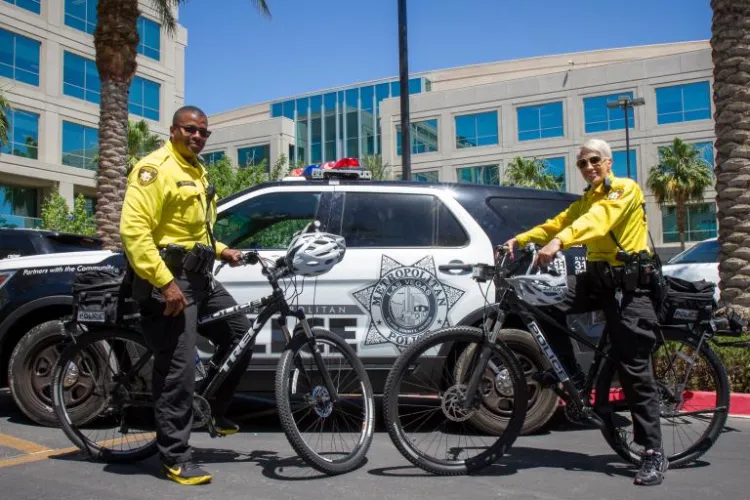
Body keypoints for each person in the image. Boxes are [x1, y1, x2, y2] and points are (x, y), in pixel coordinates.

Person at [503, 138, 667, 487]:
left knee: (634, 367)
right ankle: (573, 375)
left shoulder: (624, 189)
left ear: (608, 162)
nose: (588, 167)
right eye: (582, 163)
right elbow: (559, 221)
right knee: (539, 298)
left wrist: (560, 242)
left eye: (594, 160)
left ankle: (653, 452)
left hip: (630, 287)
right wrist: (520, 238)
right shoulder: (587, 198)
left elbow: (598, 221)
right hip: (596, 280)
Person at [120, 105, 252, 486]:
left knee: (240, 333)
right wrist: (165, 283)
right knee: (178, 371)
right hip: (169, 279)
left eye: (204, 132)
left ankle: (213, 409)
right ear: (174, 130)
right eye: (191, 130)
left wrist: (223, 249)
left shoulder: (196, 168)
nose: (198, 137)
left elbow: (192, 231)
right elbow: (135, 232)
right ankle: (175, 457)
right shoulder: (154, 169)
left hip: (200, 276)